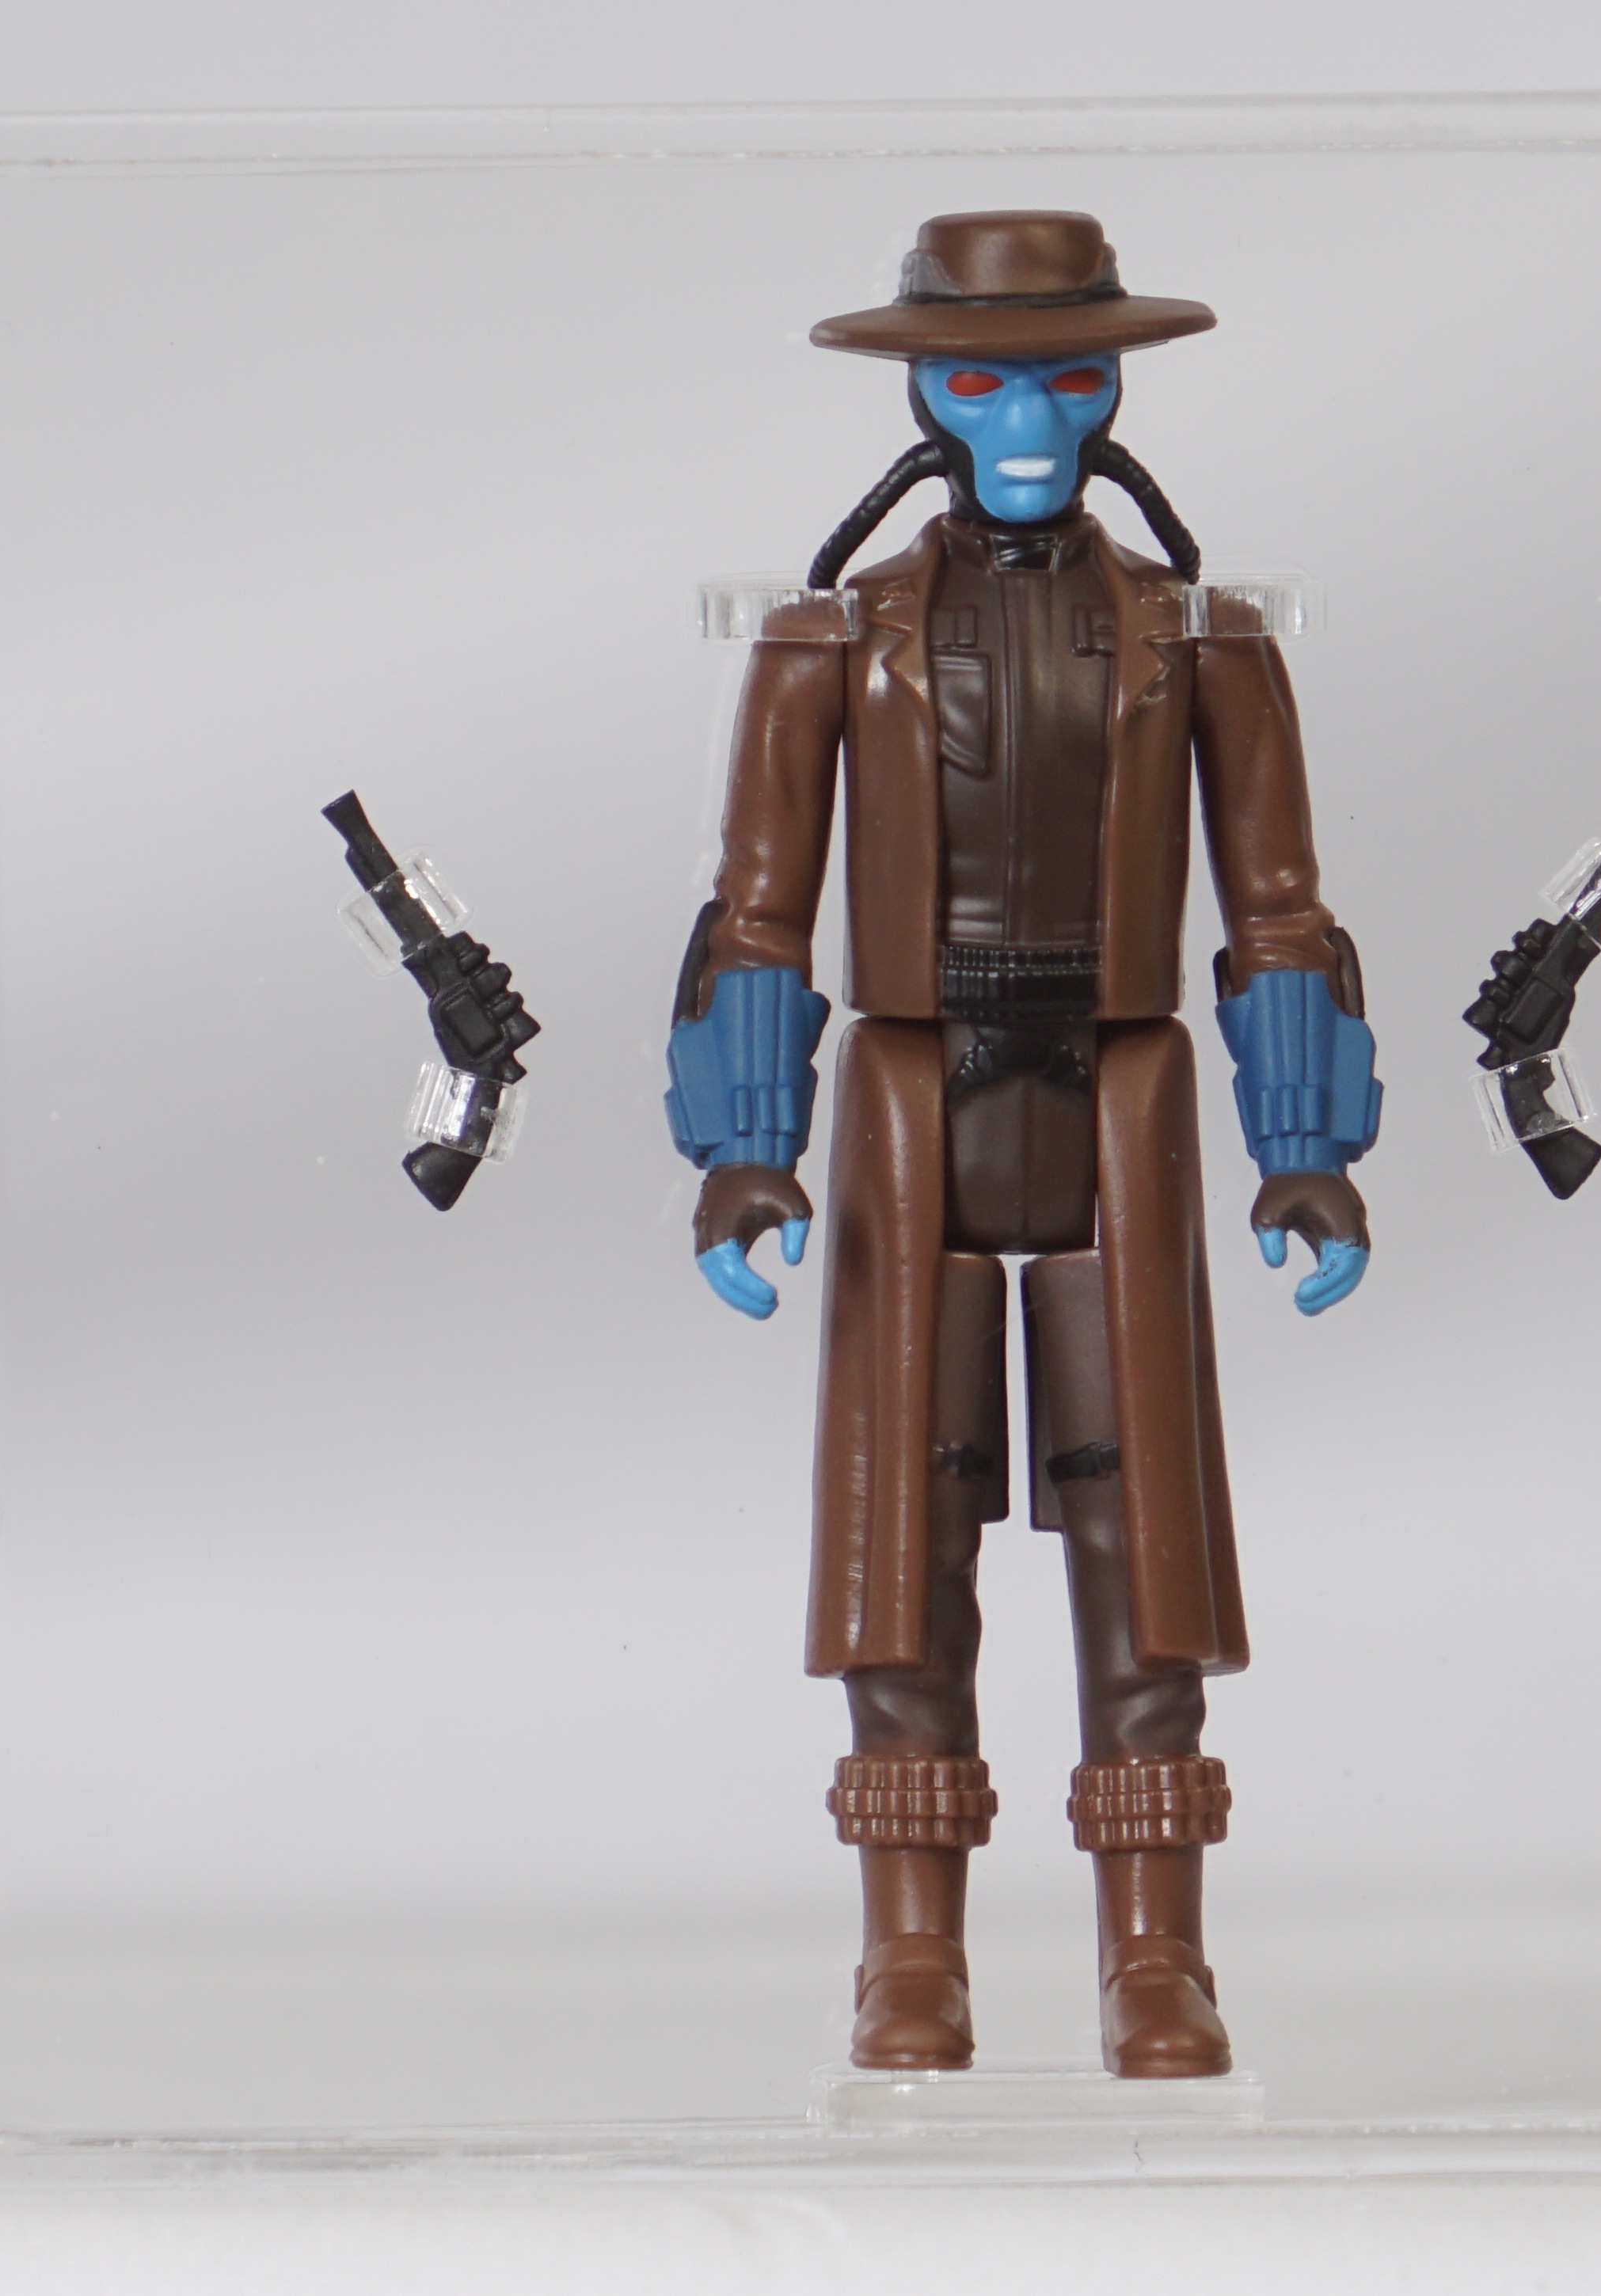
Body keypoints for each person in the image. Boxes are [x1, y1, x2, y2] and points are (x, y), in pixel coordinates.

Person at [664, 211, 1382, 2077]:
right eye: (983, 381)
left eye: (1068, 381)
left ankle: (1157, 1950)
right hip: (911, 1106)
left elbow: (1278, 909)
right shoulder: (832, 639)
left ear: (1115, 386)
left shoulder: (1200, 638)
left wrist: (1302, 1139)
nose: (1028, 425)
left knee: (1143, 1545)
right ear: (922, 392)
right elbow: (757, 912)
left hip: (1116, 1104)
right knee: (898, 1540)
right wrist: (742, 1142)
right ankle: (911, 1951)